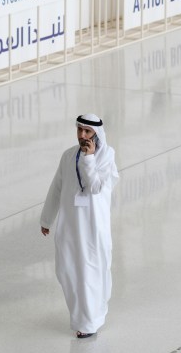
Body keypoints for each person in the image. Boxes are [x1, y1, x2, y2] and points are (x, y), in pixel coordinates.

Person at [41, 113, 120, 338]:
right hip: (70, 227)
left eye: (87, 131)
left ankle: (88, 322)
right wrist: (47, 219)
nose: (82, 135)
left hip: (93, 229)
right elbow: (56, 187)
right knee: (67, 270)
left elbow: (95, 187)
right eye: (80, 130)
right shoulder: (68, 156)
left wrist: (89, 158)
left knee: (90, 273)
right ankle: (83, 317)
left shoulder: (106, 156)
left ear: (96, 134)